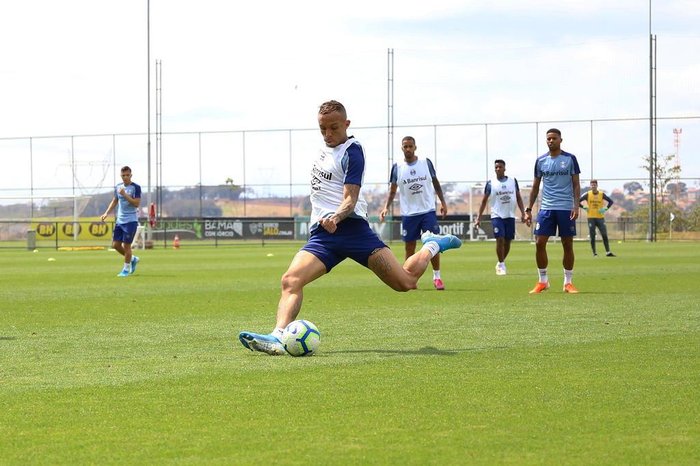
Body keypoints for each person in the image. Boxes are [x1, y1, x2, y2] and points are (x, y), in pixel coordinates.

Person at [238, 100, 462, 355]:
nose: (328, 134)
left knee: (406, 282)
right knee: (290, 280)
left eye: (334, 128)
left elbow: (350, 198)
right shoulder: (323, 151)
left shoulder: (352, 151)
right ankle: (278, 336)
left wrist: (336, 217)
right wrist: (327, 221)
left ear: (346, 124)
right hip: (324, 235)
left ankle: (432, 245)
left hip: (353, 231)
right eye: (323, 129)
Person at [379, 136, 449, 290]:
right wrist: (386, 207)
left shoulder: (425, 162)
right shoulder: (397, 167)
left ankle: (437, 277)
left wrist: (443, 202)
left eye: (411, 146)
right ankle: (409, 278)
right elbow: (392, 191)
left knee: (433, 243)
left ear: (415, 147)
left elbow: (436, 183)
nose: (408, 149)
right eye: (405, 146)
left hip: (427, 211)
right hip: (409, 214)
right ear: (402, 148)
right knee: (409, 247)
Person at [524, 128, 581, 294]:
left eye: (554, 138)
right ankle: (543, 281)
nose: (551, 141)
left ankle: (568, 282)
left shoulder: (570, 159)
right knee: (539, 242)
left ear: (560, 140)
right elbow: (535, 186)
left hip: (565, 208)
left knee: (567, 244)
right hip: (546, 208)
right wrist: (528, 209)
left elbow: (576, 184)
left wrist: (576, 205)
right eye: (548, 139)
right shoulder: (541, 161)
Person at [474, 159, 526, 275]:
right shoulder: (491, 183)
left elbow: (518, 197)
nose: (498, 169)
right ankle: (502, 265)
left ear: (504, 168)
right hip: (497, 215)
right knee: (500, 238)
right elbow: (483, 201)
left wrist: (523, 213)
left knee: (508, 241)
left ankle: (500, 262)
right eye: (496, 167)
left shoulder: (513, 181)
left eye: (500, 167)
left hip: (510, 215)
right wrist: (479, 217)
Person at [101, 166, 141, 277]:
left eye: (127, 175)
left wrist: (125, 194)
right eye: (123, 175)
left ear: (131, 175)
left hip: (131, 221)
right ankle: (133, 259)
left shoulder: (136, 187)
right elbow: (114, 201)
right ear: (121, 176)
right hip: (120, 221)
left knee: (127, 246)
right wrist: (106, 213)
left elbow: (136, 203)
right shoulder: (118, 187)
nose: (125, 177)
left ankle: (126, 270)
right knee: (115, 245)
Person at [579, 179, 616, 257]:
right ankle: (594, 253)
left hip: (600, 217)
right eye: (592, 185)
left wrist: (605, 208)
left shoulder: (601, 194)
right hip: (591, 217)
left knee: (604, 234)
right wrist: (584, 207)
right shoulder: (587, 194)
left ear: (597, 185)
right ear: (590, 186)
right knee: (592, 236)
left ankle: (608, 252)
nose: (593, 186)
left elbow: (611, 201)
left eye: (594, 185)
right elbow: (577, 201)